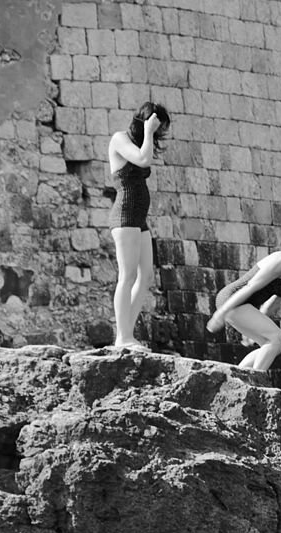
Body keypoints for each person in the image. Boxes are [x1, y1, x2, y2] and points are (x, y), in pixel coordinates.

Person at [206, 226, 281, 371]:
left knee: (274, 345)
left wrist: (255, 327)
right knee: (275, 337)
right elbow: (250, 287)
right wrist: (220, 314)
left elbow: (273, 302)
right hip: (232, 299)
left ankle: (238, 376)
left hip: (243, 306)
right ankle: (256, 379)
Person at [107, 101, 171, 350]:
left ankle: (127, 333)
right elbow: (143, 161)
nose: (158, 134)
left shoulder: (139, 142)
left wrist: (147, 134)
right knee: (128, 275)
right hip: (125, 216)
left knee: (145, 275)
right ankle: (122, 338)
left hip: (138, 218)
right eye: (158, 128)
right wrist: (148, 131)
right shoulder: (119, 139)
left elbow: (145, 157)